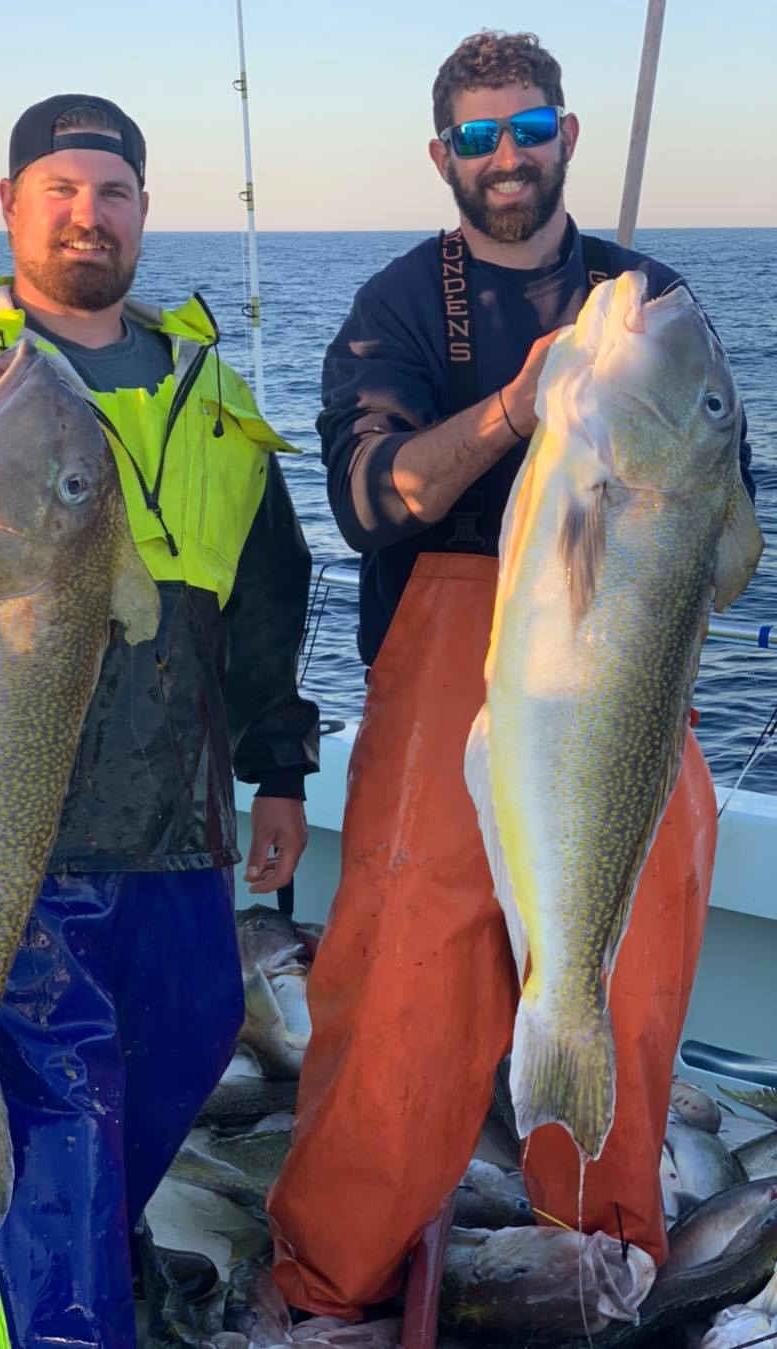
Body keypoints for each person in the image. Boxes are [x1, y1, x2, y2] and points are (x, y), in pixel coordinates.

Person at [267, 30, 755, 1328]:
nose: (505, 159)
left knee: (627, 970)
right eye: (478, 137)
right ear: (442, 155)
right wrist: (515, 411)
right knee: (398, 984)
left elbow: (725, 541)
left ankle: (596, 1256)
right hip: (447, 664)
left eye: (528, 130)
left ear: (567, 137)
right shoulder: (392, 308)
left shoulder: (649, 300)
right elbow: (374, 499)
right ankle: (329, 1279)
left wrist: (636, 438)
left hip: (624, 667)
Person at [0, 94, 319, 1349]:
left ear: (143, 212)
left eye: (112, 192)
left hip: (180, 821)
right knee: (58, 1115)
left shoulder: (212, 391)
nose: (87, 214)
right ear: (12, 206)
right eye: (61, 189)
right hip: (19, 831)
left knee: (197, 1034)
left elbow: (270, 596)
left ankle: (80, 1239)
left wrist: (277, 769)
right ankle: (66, 1307)